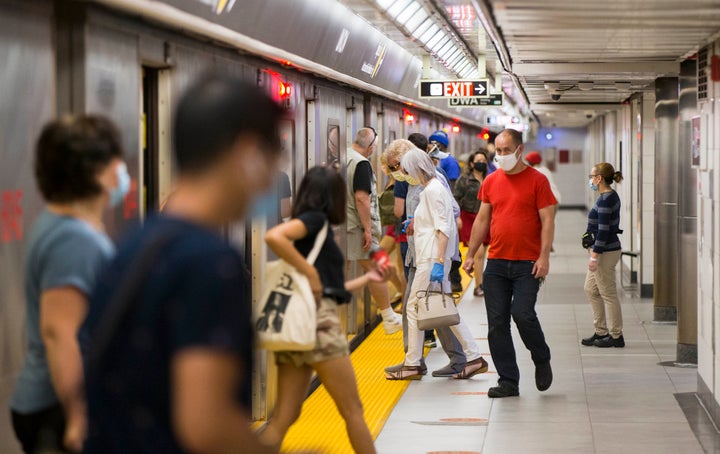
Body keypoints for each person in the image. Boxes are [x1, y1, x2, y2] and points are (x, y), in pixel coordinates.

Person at [81, 74, 283, 453]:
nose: (272, 178)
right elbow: (206, 426)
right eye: (273, 160)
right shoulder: (209, 262)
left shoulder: (134, 246)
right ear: (248, 152)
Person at [9, 115, 125, 454]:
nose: (121, 172)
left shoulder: (62, 224)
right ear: (99, 172)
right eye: (116, 162)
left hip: (53, 402)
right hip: (56, 408)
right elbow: (60, 333)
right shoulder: (74, 240)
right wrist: (79, 415)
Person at [260, 166, 388, 453]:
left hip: (300, 325)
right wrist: (310, 273)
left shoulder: (314, 231)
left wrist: (368, 279)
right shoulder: (315, 221)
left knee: (285, 416)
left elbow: (332, 289)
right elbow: (274, 236)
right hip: (319, 325)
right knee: (353, 410)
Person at [464, 129, 557, 398]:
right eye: (498, 150)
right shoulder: (491, 181)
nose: (501, 155)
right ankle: (508, 381)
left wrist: (544, 257)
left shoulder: (537, 181)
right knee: (497, 323)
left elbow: (548, 220)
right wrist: (471, 254)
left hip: (528, 263)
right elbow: (482, 220)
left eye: (506, 150)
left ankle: (541, 357)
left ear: (519, 150)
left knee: (523, 314)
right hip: (496, 262)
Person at [384, 147, 488, 380]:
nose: (404, 174)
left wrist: (439, 263)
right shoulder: (430, 189)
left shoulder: (432, 190)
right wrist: (416, 221)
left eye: (405, 170)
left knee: (413, 307)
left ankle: (413, 363)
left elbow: (444, 227)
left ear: (415, 168)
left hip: (431, 259)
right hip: (431, 258)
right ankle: (473, 357)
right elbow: (438, 219)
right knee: (445, 310)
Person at [346, 127, 402, 334]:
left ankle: (388, 315)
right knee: (378, 268)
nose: (373, 151)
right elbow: (361, 197)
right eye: (374, 148)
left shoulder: (342, 158)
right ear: (369, 146)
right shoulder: (361, 164)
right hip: (357, 227)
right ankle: (388, 317)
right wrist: (368, 229)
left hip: (343, 225)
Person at [581, 163, 625, 348]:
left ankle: (616, 336)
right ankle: (601, 331)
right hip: (602, 251)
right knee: (591, 289)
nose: (590, 179)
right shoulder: (606, 196)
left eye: (592, 176)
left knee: (608, 294)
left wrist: (594, 256)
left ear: (599, 178)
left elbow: (604, 230)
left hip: (605, 252)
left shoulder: (607, 199)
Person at [454, 150, 490, 297]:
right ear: (471, 163)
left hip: (486, 219)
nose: (481, 162)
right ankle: (478, 286)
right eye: (478, 160)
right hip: (468, 218)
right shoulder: (464, 179)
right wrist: (457, 217)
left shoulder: (490, 179)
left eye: (483, 160)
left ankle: (480, 281)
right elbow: (455, 198)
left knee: (483, 253)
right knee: (479, 251)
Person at [525, 151, 560, 252]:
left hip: (549, 200)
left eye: (528, 161)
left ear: (532, 162)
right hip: (556, 199)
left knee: (545, 223)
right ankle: (549, 245)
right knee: (549, 222)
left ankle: (546, 245)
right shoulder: (545, 169)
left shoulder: (536, 171)